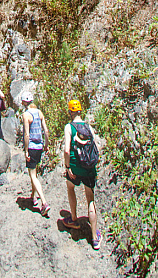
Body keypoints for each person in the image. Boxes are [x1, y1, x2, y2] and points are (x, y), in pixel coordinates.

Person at [62, 98, 101, 250]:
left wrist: (67, 166)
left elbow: (66, 150)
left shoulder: (69, 127)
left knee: (70, 188)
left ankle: (73, 219)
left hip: (75, 167)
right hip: (88, 167)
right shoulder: (88, 126)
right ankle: (94, 237)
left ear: (70, 112)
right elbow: (96, 147)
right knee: (90, 199)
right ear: (80, 111)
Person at [21, 90, 50, 216]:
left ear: (23, 102)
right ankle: (33, 197)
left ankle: (44, 202)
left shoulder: (26, 115)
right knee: (35, 172)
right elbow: (46, 130)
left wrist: (26, 150)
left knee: (32, 175)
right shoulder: (39, 112)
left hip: (32, 147)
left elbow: (27, 134)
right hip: (39, 147)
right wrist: (46, 145)